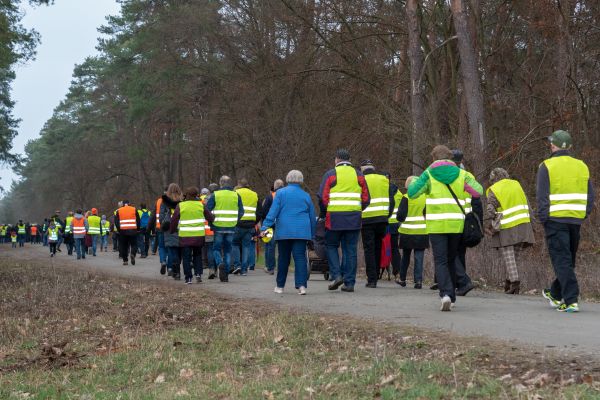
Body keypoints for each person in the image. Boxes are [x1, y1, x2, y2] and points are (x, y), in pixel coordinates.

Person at [408, 145, 483, 311]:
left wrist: (427, 176)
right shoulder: (462, 174)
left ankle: (446, 295)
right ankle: (453, 297)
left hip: (436, 225)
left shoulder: (428, 174)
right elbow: (478, 192)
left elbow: (412, 192)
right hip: (456, 225)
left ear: (433, 158)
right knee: (451, 259)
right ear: (450, 158)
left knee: (440, 261)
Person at [537, 130, 594, 313]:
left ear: (553, 145)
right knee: (568, 260)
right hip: (575, 220)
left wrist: (544, 218)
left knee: (562, 261)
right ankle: (555, 293)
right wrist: (583, 214)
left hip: (555, 220)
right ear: (569, 147)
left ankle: (570, 300)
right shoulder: (582, 166)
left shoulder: (546, 165)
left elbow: (542, 196)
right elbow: (590, 196)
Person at [318, 148, 370, 293]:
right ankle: (349, 283)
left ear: (337, 160)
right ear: (350, 160)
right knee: (350, 250)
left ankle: (336, 275)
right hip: (353, 218)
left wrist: (325, 212)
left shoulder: (330, 174)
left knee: (331, 246)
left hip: (334, 218)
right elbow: (366, 199)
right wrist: (358, 210)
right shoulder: (359, 175)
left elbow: (323, 198)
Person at [261, 170, 315, 295]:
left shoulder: (280, 193)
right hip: (301, 231)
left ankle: (280, 286)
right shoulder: (306, 195)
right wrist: (312, 235)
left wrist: (265, 226)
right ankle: (302, 286)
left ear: (287, 179)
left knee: (283, 258)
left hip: (284, 231)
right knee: (300, 258)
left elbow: (273, 212)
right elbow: (312, 217)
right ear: (301, 180)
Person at [485, 168, 535, 294]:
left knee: (508, 256)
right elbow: (528, 204)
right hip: (523, 223)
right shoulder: (516, 184)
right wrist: (533, 222)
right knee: (515, 256)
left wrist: (491, 220)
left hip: (507, 225)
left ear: (493, 178)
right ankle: (508, 282)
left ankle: (515, 283)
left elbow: (491, 209)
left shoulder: (494, 189)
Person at [359, 160, 394, 288]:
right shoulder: (384, 179)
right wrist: (387, 215)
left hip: (367, 219)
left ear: (362, 169)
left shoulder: (361, 179)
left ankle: (372, 279)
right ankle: (377, 275)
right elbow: (391, 200)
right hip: (382, 220)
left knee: (369, 249)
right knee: (378, 248)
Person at [451, 149, 480, 296]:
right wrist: (477, 221)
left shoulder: (448, 176)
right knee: (460, 252)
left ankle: (461, 281)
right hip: (467, 219)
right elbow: (477, 200)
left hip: (452, 218)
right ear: (461, 161)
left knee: (451, 251)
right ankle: (460, 284)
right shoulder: (468, 176)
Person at [170, 186, 214, 284]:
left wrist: (172, 230)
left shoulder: (181, 206)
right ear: (197, 195)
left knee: (186, 257)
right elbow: (210, 217)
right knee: (198, 255)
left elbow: (174, 220)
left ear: (186, 195)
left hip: (185, 237)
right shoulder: (200, 205)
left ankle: (188, 278)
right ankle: (198, 274)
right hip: (198, 236)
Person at [206, 175, 244, 282]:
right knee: (228, 250)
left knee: (216, 249)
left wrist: (211, 222)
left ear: (221, 183)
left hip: (218, 226)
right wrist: (235, 220)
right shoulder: (236, 195)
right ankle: (225, 273)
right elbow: (242, 211)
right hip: (231, 227)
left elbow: (207, 210)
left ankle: (219, 263)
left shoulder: (216, 194)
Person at [397, 176, 429, 289]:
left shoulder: (406, 197)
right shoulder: (425, 197)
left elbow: (400, 216)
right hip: (422, 231)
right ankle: (418, 281)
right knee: (419, 257)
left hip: (407, 232)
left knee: (405, 256)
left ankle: (402, 279)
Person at [232, 178, 261, 276]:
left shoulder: (235, 192)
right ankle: (244, 270)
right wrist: (254, 222)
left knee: (235, 244)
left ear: (239, 184)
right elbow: (259, 212)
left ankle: (237, 265)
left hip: (238, 223)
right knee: (246, 246)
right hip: (250, 224)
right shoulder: (254, 194)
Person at [261, 179, 284, 275]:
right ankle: (281, 267)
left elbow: (264, 211)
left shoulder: (270, 197)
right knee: (282, 247)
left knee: (270, 246)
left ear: (274, 187)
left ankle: (270, 267)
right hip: (282, 225)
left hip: (270, 225)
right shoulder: (286, 195)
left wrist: (264, 225)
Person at [160, 184, 183, 279]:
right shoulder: (183, 201)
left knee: (172, 250)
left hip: (169, 229)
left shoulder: (164, 202)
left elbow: (161, 217)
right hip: (181, 228)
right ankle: (176, 269)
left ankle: (175, 271)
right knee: (179, 251)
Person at [387, 175, 403, 280]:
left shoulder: (382, 191)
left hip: (384, 223)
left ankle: (378, 270)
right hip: (395, 225)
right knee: (394, 248)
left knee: (382, 247)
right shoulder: (399, 193)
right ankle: (397, 271)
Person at [115, 200, 140, 266]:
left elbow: (116, 222)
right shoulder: (134, 209)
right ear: (129, 203)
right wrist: (138, 229)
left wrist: (119, 230)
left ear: (123, 204)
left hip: (123, 231)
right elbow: (138, 220)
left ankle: (125, 260)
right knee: (134, 244)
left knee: (124, 246)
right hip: (133, 230)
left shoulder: (119, 210)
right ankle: (132, 254)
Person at [201, 185, 217, 278]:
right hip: (219, 227)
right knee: (218, 250)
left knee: (210, 249)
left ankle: (211, 269)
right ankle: (217, 270)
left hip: (207, 229)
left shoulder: (203, 201)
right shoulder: (220, 199)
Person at [152, 188, 168, 274]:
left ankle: (163, 261)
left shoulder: (158, 201)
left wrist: (149, 227)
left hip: (159, 227)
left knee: (161, 247)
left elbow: (153, 214)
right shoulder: (174, 199)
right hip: (170, 228)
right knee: (169, 246)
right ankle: (169, 267)